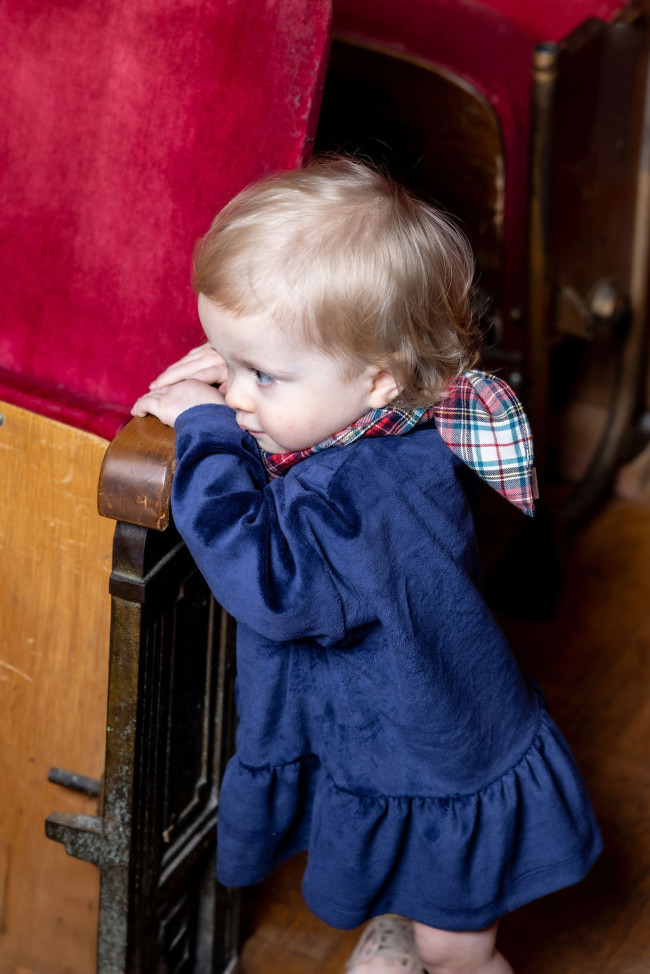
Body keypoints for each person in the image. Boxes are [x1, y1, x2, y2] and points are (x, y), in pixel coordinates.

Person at [132, 157, 602, 974]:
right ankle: (401, 918)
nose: (235, 394)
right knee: (398, 859)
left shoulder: (365, 491)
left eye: (261, 374)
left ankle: (455, 958)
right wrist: (242, 381)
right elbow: (293, 423)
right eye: (226, 362)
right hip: (387, 726)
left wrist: (206, 434)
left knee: (458, 939)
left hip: (439, 751)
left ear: (378, 377)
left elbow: (268, 583)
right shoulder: (371, 416)